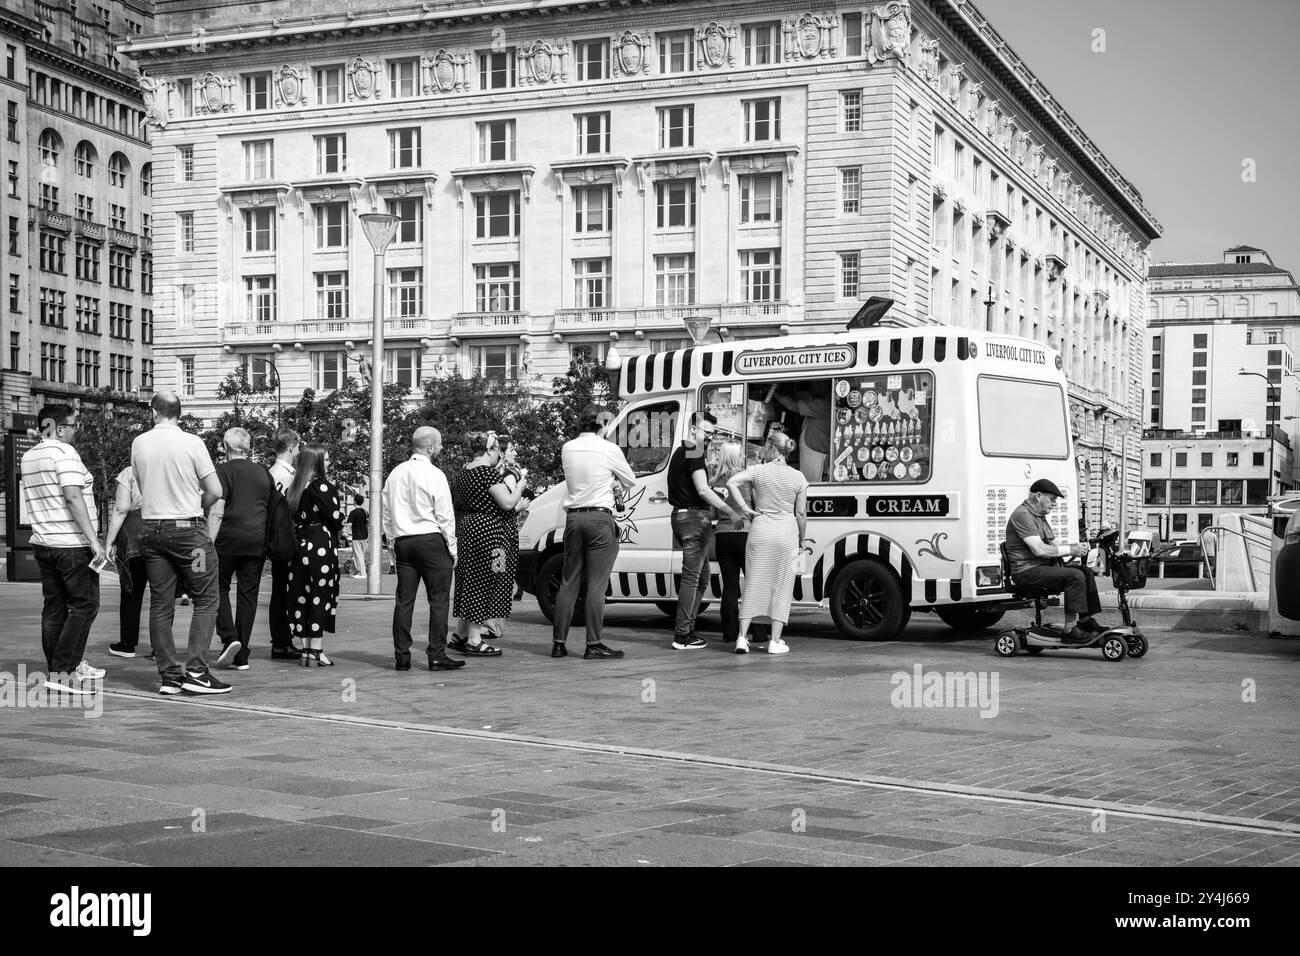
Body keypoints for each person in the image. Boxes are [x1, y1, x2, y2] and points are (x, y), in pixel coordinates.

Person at [131, 391, 229, 695]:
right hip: (189, 536)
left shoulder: (140, 443)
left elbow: (139, 482)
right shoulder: (192, 442)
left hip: (152, 532)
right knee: (206, 598)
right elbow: (216, 489)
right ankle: (197, 671)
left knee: (160, 604)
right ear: (179, 413)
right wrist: (196, 500)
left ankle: (170, 676)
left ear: (153, 412)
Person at [21, 404, 105, 692]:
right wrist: (94, 540)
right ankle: (63, 671)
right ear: (57, 428)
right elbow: (72, 495)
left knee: (55, 607)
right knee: (85, 605)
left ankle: (62, 666)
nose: (75, 431)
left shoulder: (30, 456)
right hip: (70, 543)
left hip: (44, 542)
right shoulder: (64, 453)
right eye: (72, 425)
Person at [552, 407, 637, 660]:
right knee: (596, 586)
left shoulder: (567, 447)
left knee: (569, 583)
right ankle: (594, 643)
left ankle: (559, 643)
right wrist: (613, 482)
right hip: (600, 518)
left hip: (574, 518)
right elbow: (630, 479)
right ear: (603, 424)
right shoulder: (609, 449)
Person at [383, 426, 465, 672]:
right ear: (430, 447)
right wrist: (452, 547)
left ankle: (402, 656)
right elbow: (445, 515)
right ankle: (436, 654)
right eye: (439, 445)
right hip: (431, 540)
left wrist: (392, 543)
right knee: (438, 600)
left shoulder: (395, 474)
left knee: (404, 600)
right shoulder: (435, 474)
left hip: (404, 541)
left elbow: (386, 513)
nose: (441, 448)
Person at [727, 431, 810, 655]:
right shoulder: (798, 477)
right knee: (782, 586)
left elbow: (732, 482)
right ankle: (775, 641)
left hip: (760, 531)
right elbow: (801, 513)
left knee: (753, 583)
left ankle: (742, 638)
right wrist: (803, 539)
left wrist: (745, 508)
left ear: (772, 448)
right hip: (786, 534)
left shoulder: (759, 471)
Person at [667, 411, 741, 650]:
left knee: (702, 577)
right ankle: (683, 634)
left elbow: (696, 487)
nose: (709, 438)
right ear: (693, 430)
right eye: (706, 432)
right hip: (693, 519)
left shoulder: (681, 452)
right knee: (692, 577)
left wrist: (713, 492)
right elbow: (701, 489)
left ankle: (687, 627)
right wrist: (728, 510)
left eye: (712, 433)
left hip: (682, 517)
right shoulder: (695, 450)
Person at [450, 432, 528, 657]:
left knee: (470, 579)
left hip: (468, 529)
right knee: (489, 580)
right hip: (493, 535)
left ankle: (460, 634)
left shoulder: (464, 472)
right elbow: (507, 503)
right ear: (491, 450)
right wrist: (521, 485)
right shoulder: (488, 474)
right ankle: (475, 639)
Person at [1004, 478, 1103, 642]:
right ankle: (1070, 630)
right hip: (1026, 571)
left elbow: (1054, 545)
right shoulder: (1022, 515)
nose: (1054, 503)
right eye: (1052, 499)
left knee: (1085, 571)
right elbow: (1039, 549)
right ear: (1038, 495)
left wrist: (1077, 548)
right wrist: (1071, 549)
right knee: (1074, 576)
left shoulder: (1039, 516)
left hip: (1040, 567)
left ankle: (1085, 622)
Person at [208, 427, 275, 671]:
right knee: (248, 595)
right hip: (256, 542)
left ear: (226, 447)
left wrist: (207, 542)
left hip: (227, 540)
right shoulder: (263, 473)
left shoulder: (222, 471)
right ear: (248, 448)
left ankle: (229, 636)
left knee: (217, 586)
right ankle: (241, 654)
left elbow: (217, 510)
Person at [284, 443, 344, 666]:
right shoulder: (323, 486)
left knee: (301, 596)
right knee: (321, 595)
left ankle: (306, 648)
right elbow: (336, 517)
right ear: (317, 462)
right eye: (326, 459)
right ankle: (316, 650)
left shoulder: (296, 487)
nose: (328, 462)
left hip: (301, 546)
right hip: (321, 544)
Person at [103, 464, 151, 659]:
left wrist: (110, 540)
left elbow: (122, 509)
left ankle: (127, 644)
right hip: (164, 533)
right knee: (162, 595)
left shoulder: (129, 472)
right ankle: (161, 648)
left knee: (131, 590)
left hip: (135, 539)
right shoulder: (171, 467)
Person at [710, 439, 754, 646]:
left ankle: (729, 633)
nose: (744, 455)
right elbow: (753, 505)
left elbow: (712, 513)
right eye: (742, 452)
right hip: (744, 534)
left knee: (729, 586)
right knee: (753, 585)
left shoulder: (713, 482)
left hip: (722, 536)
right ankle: (758, 632)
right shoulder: (745, 480)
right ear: (736, 456)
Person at [267, 427, 303, 660]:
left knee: (279, 590)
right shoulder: (288, 476)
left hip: (276, 538)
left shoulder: (270, 472)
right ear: (291, 447)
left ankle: (281, 638)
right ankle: (282, 640)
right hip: (287, 538)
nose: (299, 450)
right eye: (298, 447)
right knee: (283, 591)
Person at [773, 382, 832, 483]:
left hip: (815, 453)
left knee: (812, 486)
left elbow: (793, 406)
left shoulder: (824, 404)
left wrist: (774, 394)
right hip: (813, 452)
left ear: (825, 386)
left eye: (816, 384)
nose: (812, 388)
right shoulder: (822, 402)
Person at [347, 495, 368, 579]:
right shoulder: (365, 512)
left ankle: (362, 573)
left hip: (356, 537)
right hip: (365, 536)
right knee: (361, 555)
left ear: (354, 501)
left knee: (358, 556)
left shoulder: (353, 512)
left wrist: (347, 532)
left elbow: (349, 525)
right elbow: (368, 523)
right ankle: (356, 571)